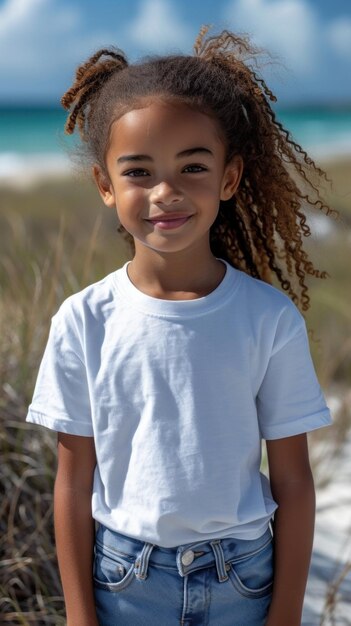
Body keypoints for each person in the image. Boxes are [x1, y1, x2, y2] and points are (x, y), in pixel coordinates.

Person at [26, 27, 333, 626]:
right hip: (123, 583)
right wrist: (79, 616)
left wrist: (287, 613)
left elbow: (293, 482)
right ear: (105, 186)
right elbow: (72, 482)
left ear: (229, 177)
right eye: (138, 172)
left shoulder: (267, 319)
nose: (166, 192)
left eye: (193, 166)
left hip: (244, 580)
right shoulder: (84, 320)